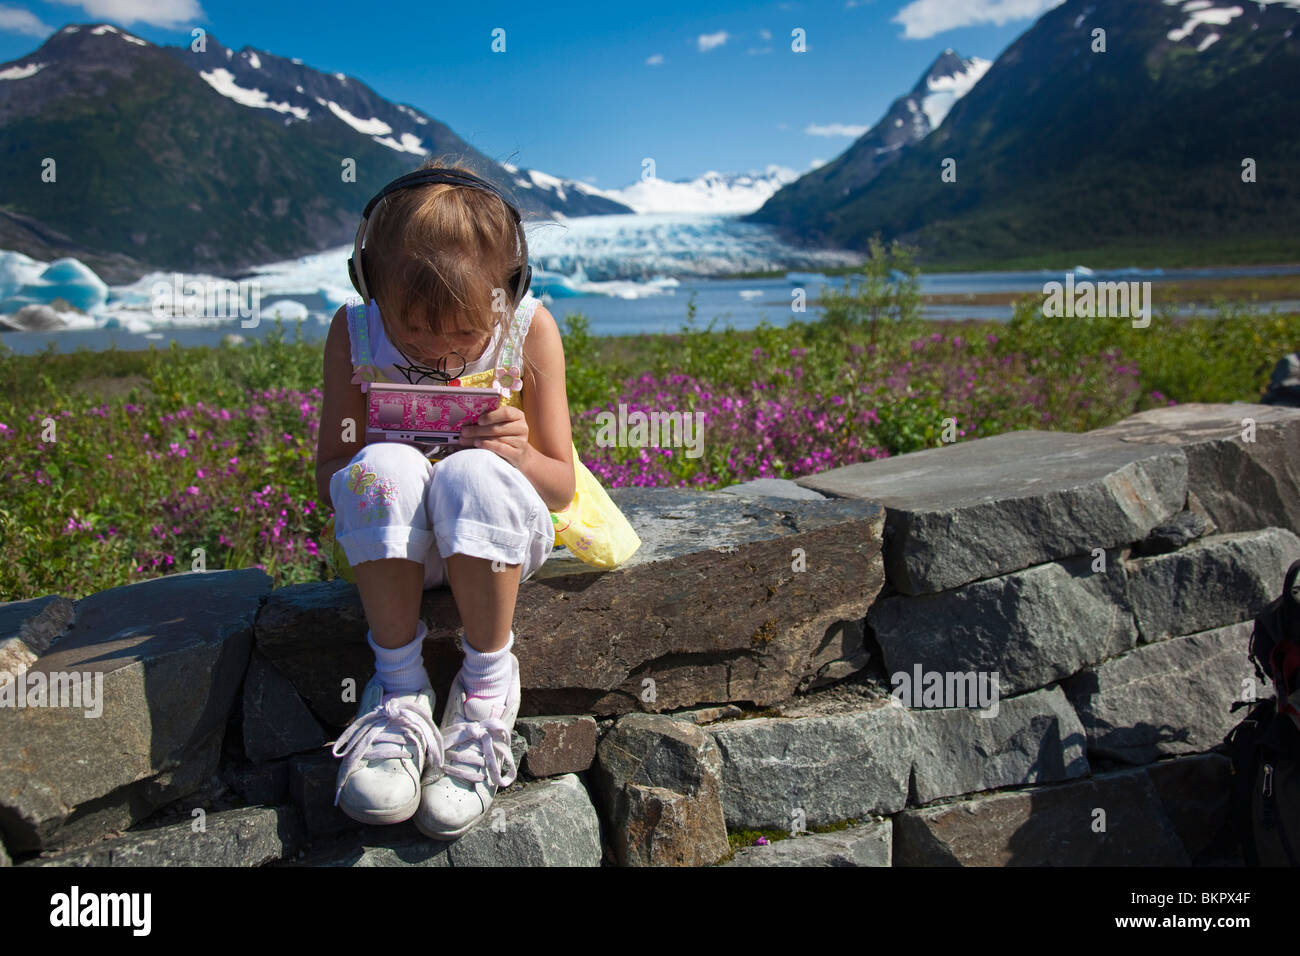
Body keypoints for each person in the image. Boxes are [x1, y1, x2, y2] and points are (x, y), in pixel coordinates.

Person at [313, 159, 575, 840]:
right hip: (401, 545)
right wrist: (387, 454)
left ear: (507, 291)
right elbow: (332, 475)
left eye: (464, 335)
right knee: (385, 467)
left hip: (499, 539)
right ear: (369, 283)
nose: (443, 357)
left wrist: (515, 454)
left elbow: (562, 485)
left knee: (473, 477)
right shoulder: (354, 330)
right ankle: (399, 690)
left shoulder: (530, 330)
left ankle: (486, 690)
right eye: (415, 333)